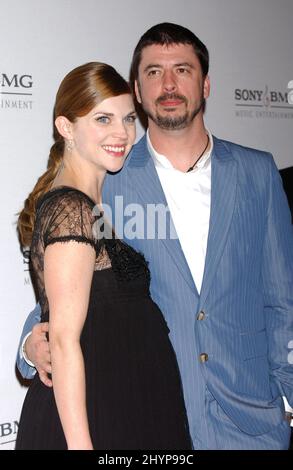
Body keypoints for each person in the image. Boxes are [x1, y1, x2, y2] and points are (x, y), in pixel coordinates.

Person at [17, 23, 293, 449]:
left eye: (182, 70)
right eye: (153, 72)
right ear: (137, 90)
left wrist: (286, 395)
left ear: (206, 84)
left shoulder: (258, 172)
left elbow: (281, 298)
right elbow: (69, 291)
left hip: (252, 422)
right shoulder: (110, 180)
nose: (168, 83)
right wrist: (31, 345)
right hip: (150, 412)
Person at [15, 61, 192, 450]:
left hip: (126, 403)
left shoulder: (95, 204)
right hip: (98, 414)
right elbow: (63, 339)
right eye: (103, 119)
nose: (122, 133)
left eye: (129, 119)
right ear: (66, 128)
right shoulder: (70, 209)